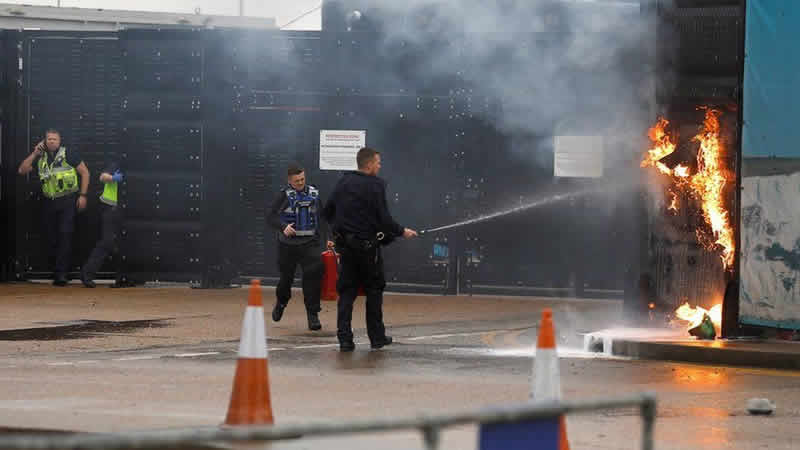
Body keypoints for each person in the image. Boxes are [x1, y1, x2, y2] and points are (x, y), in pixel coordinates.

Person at [323, 147, 418, 352]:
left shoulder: (343, 182)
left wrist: (340, 230)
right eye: (378, 162)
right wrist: (402, 231)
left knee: (347, 292)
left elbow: (327, 211)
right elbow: (384, 219)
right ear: (368, 164)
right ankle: (377, 338)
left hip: (346, 249)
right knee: (374, 291)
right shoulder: (376, 186)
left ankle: (345, 340)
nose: (379, 166)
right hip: (368, 250)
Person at [17, 129, 90, 286]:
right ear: (44, 141)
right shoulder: (40, 157)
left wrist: (83, 195)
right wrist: (34, 153)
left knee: (65, 235)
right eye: (49, 139)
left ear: (60, 141)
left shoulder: (68, 154)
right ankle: (56, 269)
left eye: (54, 139)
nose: (51, 141)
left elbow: (85, 173)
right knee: (51, 237)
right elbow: (22, 170)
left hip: (67, 201)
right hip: (49, 202)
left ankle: (61, 274)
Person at [267, 164, 334, 331]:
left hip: (309, 243)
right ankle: (281, 303)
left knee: (312, 279)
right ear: (290, 181)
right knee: (285, 280)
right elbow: (270, 217)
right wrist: (283, 227)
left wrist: (328, 238)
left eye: (302, 179)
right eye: (297, 181)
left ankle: (313, 315)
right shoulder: (283, 195)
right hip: (287, 245)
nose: (300, 183)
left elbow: (323, 218)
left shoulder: (314, 194)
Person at [80, 160, 127, 288]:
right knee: (107, 242)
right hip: (111, 210)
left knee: (123, 243)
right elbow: (103, 177)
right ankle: (87, 273)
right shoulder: (117, 164)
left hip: (126, 212)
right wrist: (113, 177)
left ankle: (124, 277)